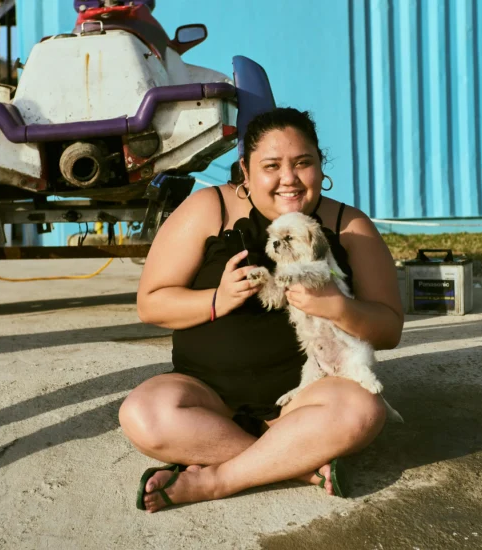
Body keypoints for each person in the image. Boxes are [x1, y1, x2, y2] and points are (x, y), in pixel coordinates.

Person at [119, 107, 404, 513]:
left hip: (305, 399)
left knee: (362, 412)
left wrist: (339, 306)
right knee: (142, 414)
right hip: (207, 396)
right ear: (245, 172)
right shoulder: (208, 209)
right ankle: (295, 462)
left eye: (303, 163)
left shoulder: (349, 225)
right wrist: (217, 300)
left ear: (321, 167)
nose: (289, 178)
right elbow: (150, 304)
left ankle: (217, 479)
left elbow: (389, 328)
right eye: (271, 166)